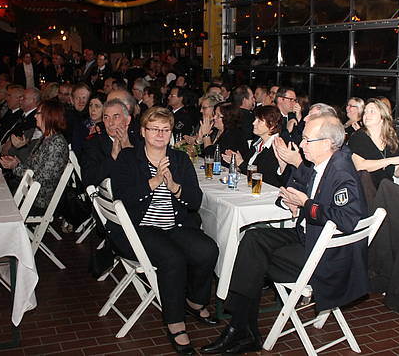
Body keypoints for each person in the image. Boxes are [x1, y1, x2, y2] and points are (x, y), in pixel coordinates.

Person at [202, 115, 367, 354]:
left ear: (327, 143)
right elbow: (305, 192)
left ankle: (240, 329)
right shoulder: (325, 164)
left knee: (253, 259)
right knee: (252, 237)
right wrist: (293, 201)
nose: (301, 145)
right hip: (309, 236)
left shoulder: (342, 171)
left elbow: (347, 219)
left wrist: (306, 204)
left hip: (328, 258)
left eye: (307, 140)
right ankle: (241, 327)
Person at [110, 107, 219, 355]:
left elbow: (195, 201)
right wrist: (154, 181)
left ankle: (194, 301)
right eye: (154, 129)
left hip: (174, 225)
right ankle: (175, 323)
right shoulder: (128, 158)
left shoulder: (179, 159)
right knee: (173, 259)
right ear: (143, 131)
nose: (160, 134)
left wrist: (174, 187)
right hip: (140, 228)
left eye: (166, 130)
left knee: (207, 249)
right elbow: (122, 198)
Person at [0, 100, 69, 215]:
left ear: (49, 116)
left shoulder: (57, 144)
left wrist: (15, 167)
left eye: (38, 113)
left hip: (38, 199)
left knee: (0, 201)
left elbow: (41, 179)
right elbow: (32, 166)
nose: (35, 116)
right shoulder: (45, 138)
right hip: (28, 191)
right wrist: (16, 162)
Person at [348, 98, 399, 188]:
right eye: (365, 112)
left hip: (385, 189)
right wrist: (391, 160)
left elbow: (396, 172)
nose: (367, 115)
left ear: (382, 117)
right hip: (363, 189)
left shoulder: (390, 140)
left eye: (372, 111)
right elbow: (359, 166)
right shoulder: (358, 137)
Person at [223, 105, 288, 188]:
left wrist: (240, 163)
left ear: (272, 125)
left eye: (259, 121)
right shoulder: (257, 142)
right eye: (255, 119)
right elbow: (248, 169)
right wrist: (237, 163)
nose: (254, 123)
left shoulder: (277, 146)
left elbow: (266, 177)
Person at [79, 99, 137, 188]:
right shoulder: (92, 144)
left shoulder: (138, 141)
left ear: (128, 120)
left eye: (116, 117)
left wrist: (127, 147)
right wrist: (112, 157)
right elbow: (88, 180)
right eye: (106, 117)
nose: (110, 123)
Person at [71, 91, 105, 158]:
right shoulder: (81, 126)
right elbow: (77, 151)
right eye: (90, 105)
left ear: (105, 108)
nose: (93, 109)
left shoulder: (108, 127)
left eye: (97, 106)